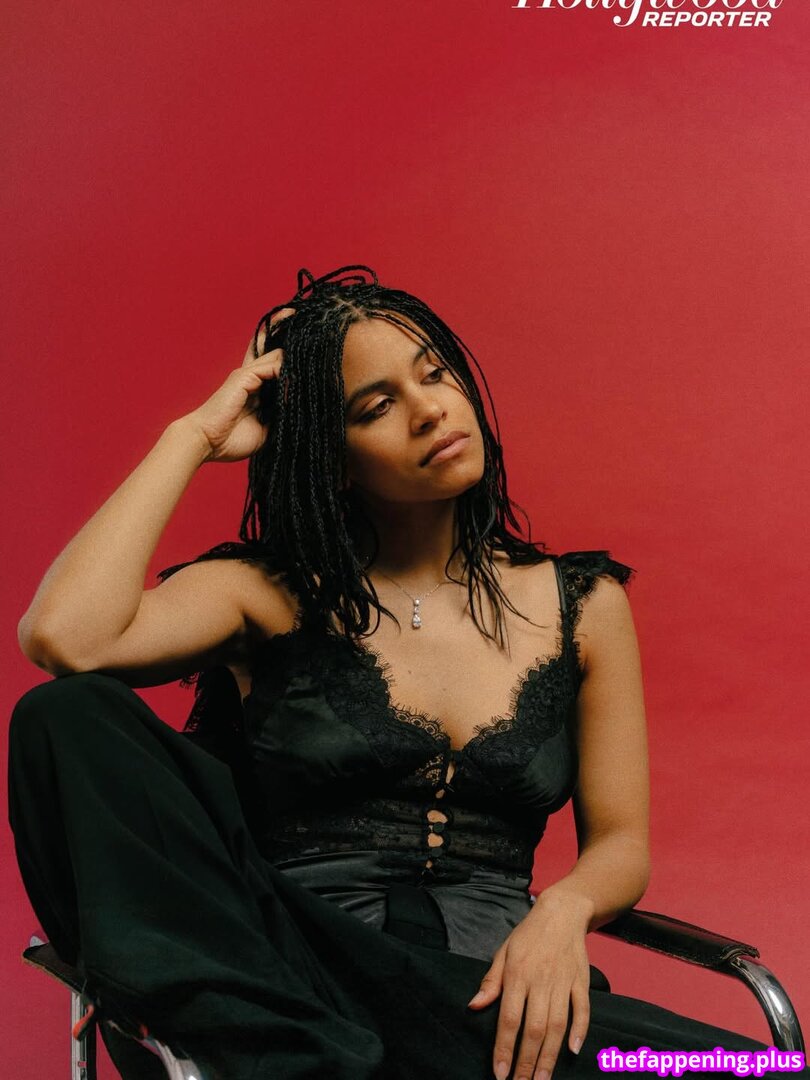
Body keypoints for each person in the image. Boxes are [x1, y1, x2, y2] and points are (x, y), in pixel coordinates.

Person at [8, 265, 801, 1080]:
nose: (430, 410)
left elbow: (622, 844)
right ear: (334, 460)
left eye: (435, 374)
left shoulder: (584, 604)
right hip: (299, 985)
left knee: (747, 1071)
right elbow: (65, 637)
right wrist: (194, 437)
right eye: (376, 407)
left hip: (501, 999)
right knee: (64, 715)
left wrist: (564, 910)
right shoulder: (263, 593)